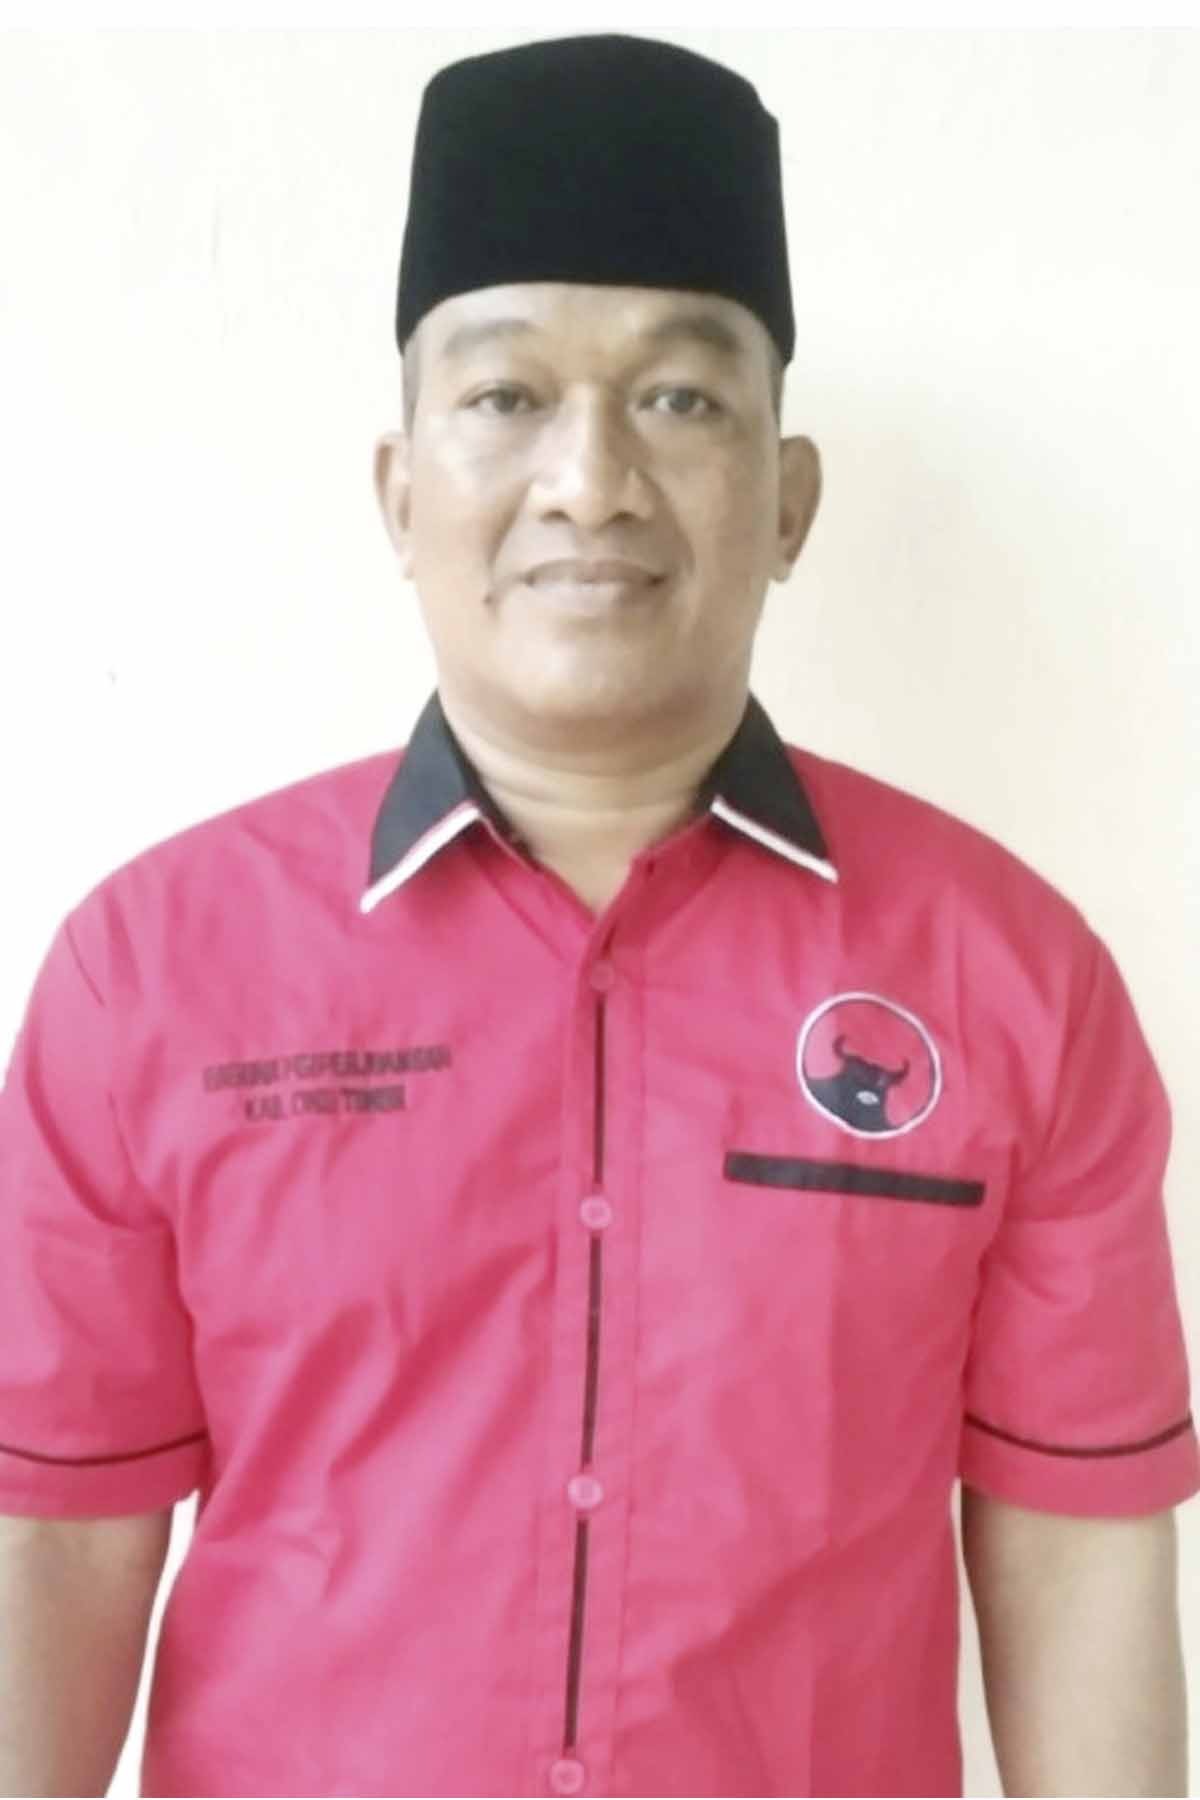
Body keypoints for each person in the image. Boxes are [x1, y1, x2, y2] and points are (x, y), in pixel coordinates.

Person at [0, 32, 1195, 1800]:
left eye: (681, 399)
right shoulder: (150, 973)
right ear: (401, 491)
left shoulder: (1011, 980)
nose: (590, 480)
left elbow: (1078, 1554)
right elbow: (53, 1543)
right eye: (505, 397)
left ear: (789, 502)